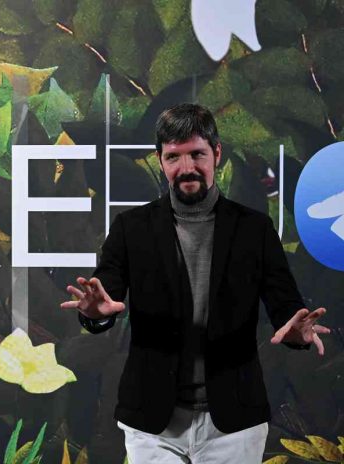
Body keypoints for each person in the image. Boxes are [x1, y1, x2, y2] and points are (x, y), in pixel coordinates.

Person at [60, 103, 330, 463]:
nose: (186, 167)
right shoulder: (131, 228)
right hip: (153, 422)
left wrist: (295, 331)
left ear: (216, 154)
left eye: (197, 154)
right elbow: (103, 297)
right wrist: (95, 314)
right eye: (174, 157)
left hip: (235, 422)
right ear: (160, 160)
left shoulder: (254, 229)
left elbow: (285, 305)